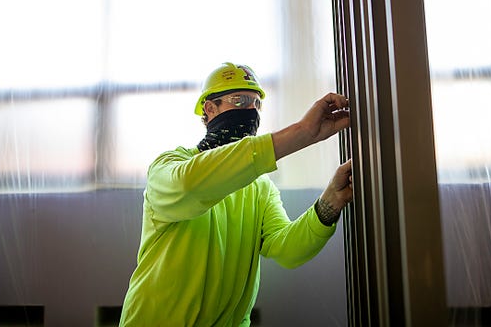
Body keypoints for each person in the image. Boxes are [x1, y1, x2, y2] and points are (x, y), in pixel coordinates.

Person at [119, 62, 353, 327]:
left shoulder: (259, 187)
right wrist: (302, 133)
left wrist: (330, 203)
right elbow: (190, 186)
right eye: (240, 100)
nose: (250, 111)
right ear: (210, 109)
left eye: (256, 103)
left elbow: (287, 249)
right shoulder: (169, 166)